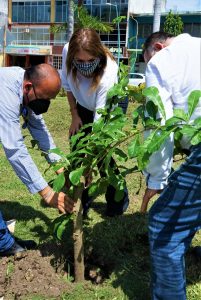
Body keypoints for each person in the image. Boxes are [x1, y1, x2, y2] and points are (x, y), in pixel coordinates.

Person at [141, 32, 201, 300]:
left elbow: (158, 128)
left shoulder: (162, 60)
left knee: (164, 225)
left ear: (157, 47)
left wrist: (157, 180)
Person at [0, 64, 74, 257]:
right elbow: (15, 149)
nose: (45, 105)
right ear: (28, 87)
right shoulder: (6, 92)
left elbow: (39, 129)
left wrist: (60, 167)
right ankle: (4, 244)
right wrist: (47, 193)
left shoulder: (25, 86)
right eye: (44, 99)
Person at [61, 28, 129, 216]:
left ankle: (118, 202)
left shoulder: (108, 74)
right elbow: (67, 86)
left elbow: (98, 125)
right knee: (76, 148)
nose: (85, 65)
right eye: (80, 61)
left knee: (102, 155)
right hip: (82, 104)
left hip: (110, 106)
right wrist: (74, 115)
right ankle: (82, 201)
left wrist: (90, 162)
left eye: (90, 61)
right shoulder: (68, 51)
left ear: (98, 55)